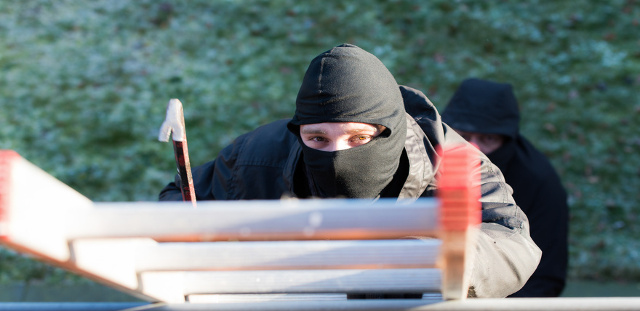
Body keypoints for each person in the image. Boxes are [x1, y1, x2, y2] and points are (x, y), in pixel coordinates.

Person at [159, 44, 541, 298]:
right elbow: (177, 201)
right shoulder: (256, 155)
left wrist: (431, 259)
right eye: (318, 139)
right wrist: (204, 239)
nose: (337, 155)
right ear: (299, 130)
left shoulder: (452, 161)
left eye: (358, 139)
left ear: (390, 130)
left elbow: (513, 242)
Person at [441, 78, 569, 297]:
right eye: (462, 137)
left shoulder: (539, 182)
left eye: (487, 138)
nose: (474, 150)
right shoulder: (428, 161)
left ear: (507, 139)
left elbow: (545, 277)